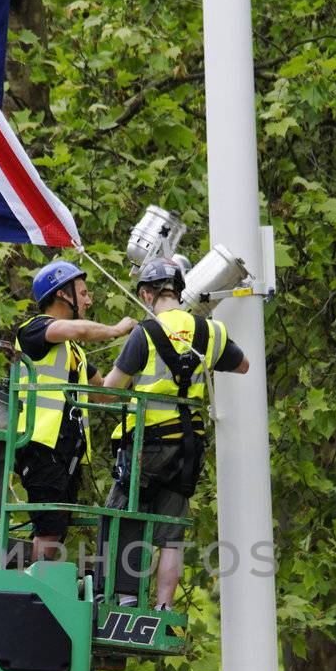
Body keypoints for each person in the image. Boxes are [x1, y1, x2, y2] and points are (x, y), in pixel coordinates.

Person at [100, 257, 249, 608]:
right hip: (187, 448)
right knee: (171, 534)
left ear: (146, 294)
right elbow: (242, 365)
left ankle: (123, 599)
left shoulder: (145, 333)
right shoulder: (210, 331)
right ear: (180, 291)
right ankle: (164, 604)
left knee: (121, 514)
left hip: (146, 445)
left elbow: (109, 390)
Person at [14, 260, 136, 562]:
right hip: (40, 446)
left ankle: (36, 584)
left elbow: (104, 391)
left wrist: (138, 349)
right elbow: (80, 329)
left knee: (57, 528)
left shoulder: (75, 353)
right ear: (62, 295)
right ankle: (31, 589)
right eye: (82, 293)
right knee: (50, 527)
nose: (88, 300)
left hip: (66, 453)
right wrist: (118, 329)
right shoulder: (34, 329)